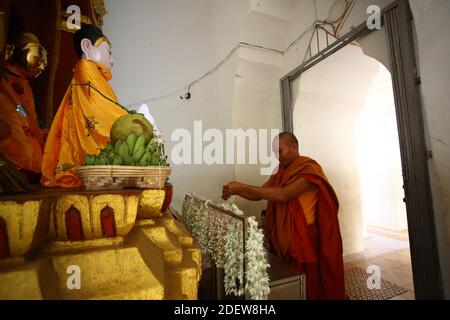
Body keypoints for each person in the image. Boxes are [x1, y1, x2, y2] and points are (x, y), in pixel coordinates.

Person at [222, 132, 345, 300]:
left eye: (280, 151)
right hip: (285, 237)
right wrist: (236, 191)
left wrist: (242, 186)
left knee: (309, 284)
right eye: (274, 152)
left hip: (305, 238)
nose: (277, 156)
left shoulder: (309, 169)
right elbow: (261, 194)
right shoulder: (280, 171)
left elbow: (284, 194)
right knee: (291, 282)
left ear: (293, 147)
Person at [41, 25, 128, 188]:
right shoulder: (87, 70)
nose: (112, 60)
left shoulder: (89, 74)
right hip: (85, 161)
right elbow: (101, 111)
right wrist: (129, 121)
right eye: (109, 52)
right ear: (87, 47)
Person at [0, 32, 48, 181]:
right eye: (36, 55)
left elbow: (23, 111)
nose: (40, 63)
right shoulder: (4, 78)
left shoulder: (22, 83)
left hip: (24, 125)